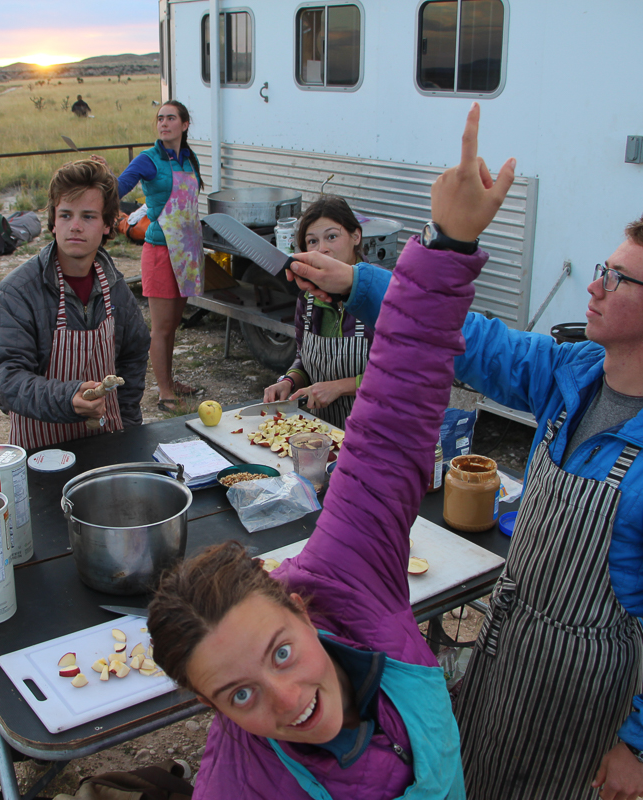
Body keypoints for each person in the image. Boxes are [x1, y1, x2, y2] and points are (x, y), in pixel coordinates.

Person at [287, 132, 643, 800]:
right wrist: (360, 283)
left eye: (617, 279)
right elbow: (470, 339)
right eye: (602, 268)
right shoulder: (574, 374)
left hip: (583, 683)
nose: (593, 286)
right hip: (507, 646)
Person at [146, 104, 515, 800]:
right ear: (212, 710)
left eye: (281, 652)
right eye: (240, 697)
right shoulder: (237, 786)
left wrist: (449, 244)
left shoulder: (353, 582)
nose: (286, 701)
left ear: (301, 607)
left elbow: (393, 415)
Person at [0, 159, 150, 449]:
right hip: (40, 452)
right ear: (52, 223)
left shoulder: (116, 289)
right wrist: (66, 398)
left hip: (105, 442)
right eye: (65, 215)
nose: (74, 226)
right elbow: (4, 376)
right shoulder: (18, 291)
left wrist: (128, 429)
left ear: (109, 225)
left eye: (88, 216)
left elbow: (134, 357)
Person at [97, 101, 205, 412]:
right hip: (160, 250)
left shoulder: (189, 158)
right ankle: (165, 393)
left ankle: (169, 380)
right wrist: (101, 176)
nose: (164, 123)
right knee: (161, 327)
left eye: (171, 118)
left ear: (184, 125)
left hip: (188, 250)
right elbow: (116, 189)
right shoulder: (148, 159)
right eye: (160, 118)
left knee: (174, 324)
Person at [262, 195, 376, 429]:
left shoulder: (380, 293)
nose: (322, 249)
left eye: (332, 237)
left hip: (377, 433)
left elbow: (401, 378)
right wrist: (289, 381)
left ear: (356, 236)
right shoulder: (308, 296)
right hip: (323, 432)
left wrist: (339, 387)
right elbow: (306, 359)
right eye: (312, 242)